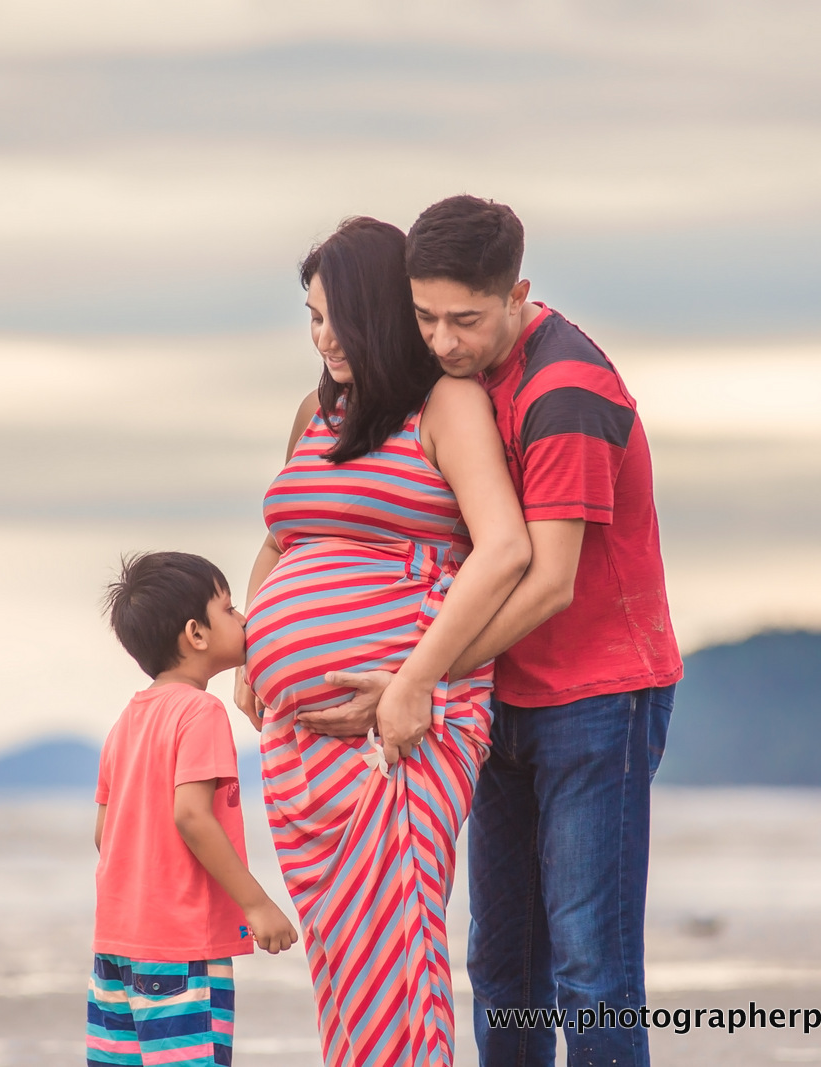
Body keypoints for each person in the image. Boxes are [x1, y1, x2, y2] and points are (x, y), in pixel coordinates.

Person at [309, 196, 683, 1067]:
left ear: (517, 294)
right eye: (425, 317)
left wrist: (417, 677)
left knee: (591, 967)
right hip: (498, 699)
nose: (442, 341)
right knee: (502, 965)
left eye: (465, 320)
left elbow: (547, 580)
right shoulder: (459, 380)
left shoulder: (566, 387)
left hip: (598, 700)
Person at [233, 217, 532, 1067]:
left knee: (397, 952)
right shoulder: (316, 412)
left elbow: (505, 548)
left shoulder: (446, 405)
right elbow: (282, 540)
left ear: (380, 311)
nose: (324, 337)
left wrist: (412, 683)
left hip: (405, 727)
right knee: (343, 963)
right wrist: (255, 646)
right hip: (299, 745)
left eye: (338, 317)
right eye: (311, 317)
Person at [90, 551, 298, 1067]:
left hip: (115, 947)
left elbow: (104, 833)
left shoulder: (126, 721)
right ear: (196, 634)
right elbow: (191, 815)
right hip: (181, 951)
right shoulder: (201, 711)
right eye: (228, 608)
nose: (244, 617)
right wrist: (257, 905)